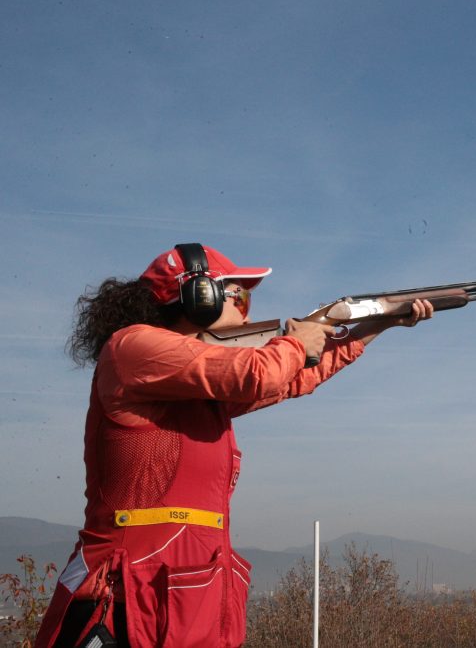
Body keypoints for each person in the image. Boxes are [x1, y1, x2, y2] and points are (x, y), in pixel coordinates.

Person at [35, 243, 432, 647]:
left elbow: (292, 379)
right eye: (239, 296)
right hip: (128, 592)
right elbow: (260, 373)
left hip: (188, 589)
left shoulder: (188, 383)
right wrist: (297, 342)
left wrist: (375, 325)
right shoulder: (132, 347)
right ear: (200, 297)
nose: (247, 312)